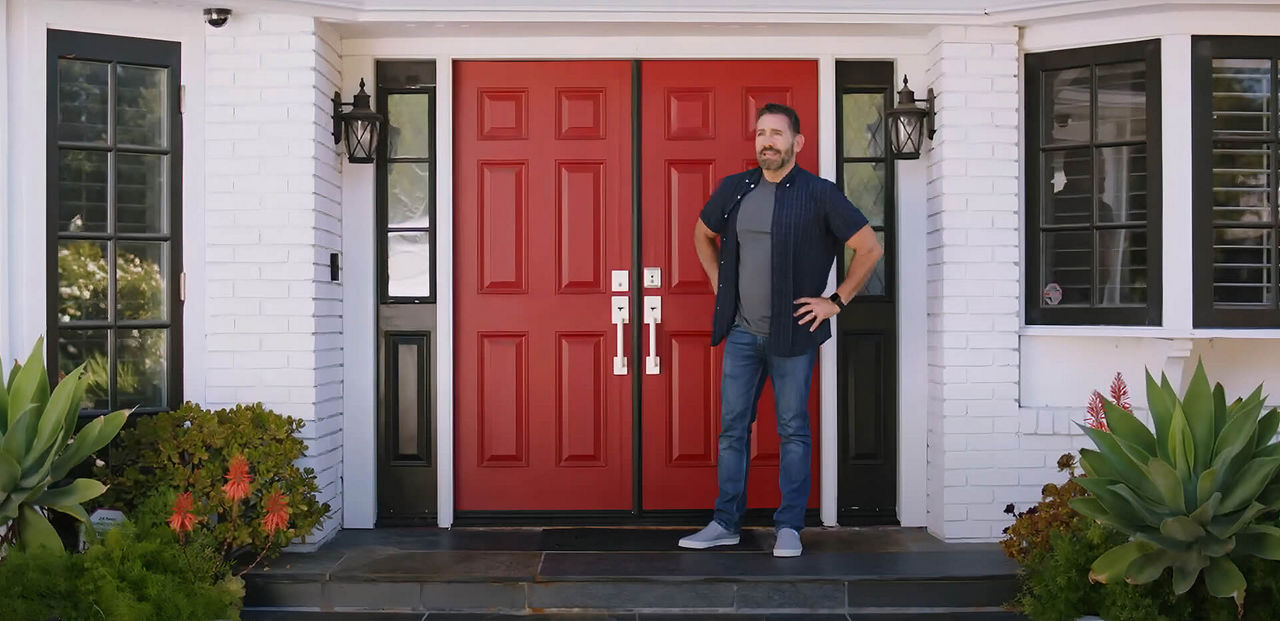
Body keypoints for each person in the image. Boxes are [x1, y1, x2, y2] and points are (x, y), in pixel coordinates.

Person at [678, 103, 882, 557]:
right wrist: (719, 286)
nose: (766, 141)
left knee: (793, 430)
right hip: (743, 334)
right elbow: (700, 233)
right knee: (733, 429)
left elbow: (868, 248)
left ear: (797, 143)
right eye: (760, 133)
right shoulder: (735, 189)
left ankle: (789, 527)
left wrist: (835, 301)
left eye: (776, 133)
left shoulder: (819, 194)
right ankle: (725, 522)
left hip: (794, 335)